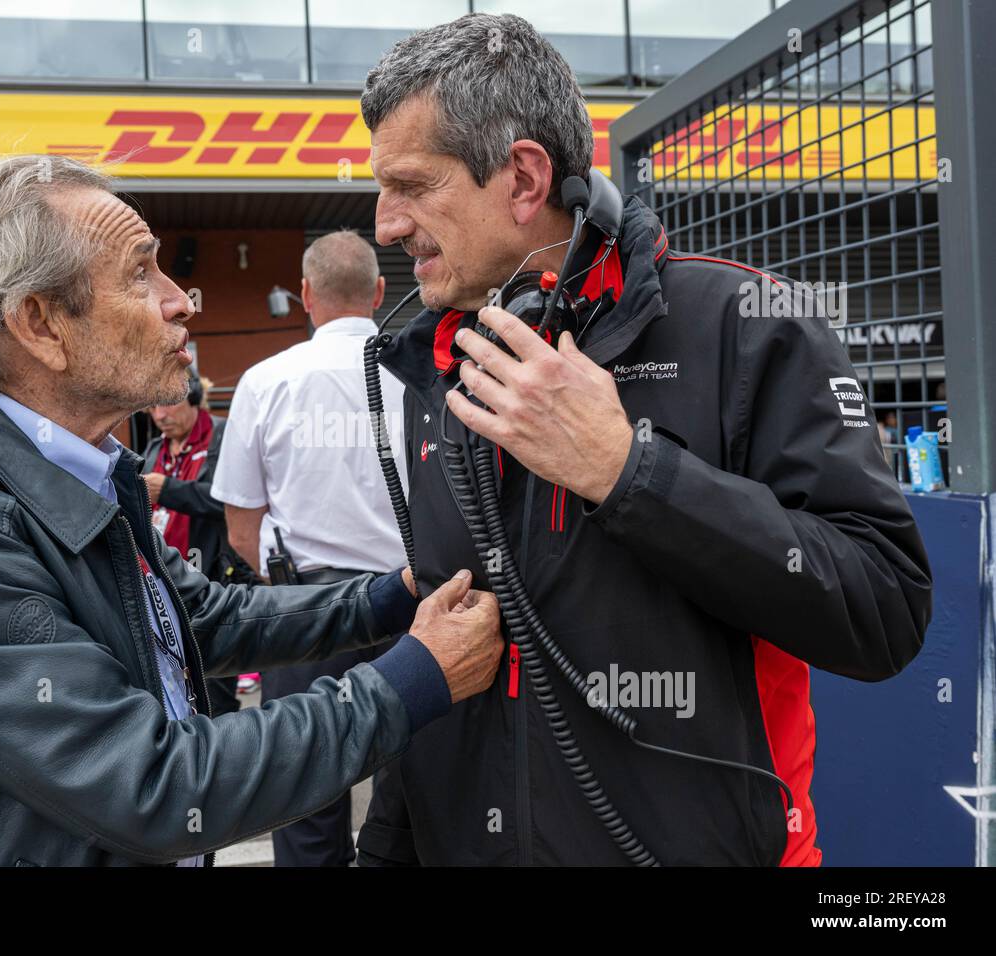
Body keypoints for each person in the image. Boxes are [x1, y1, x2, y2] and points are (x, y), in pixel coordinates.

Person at [0, 154, 505, 866]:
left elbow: (200, 620)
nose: (182, 301)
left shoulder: (74, 469)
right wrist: (415, 677)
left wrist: (391, 597)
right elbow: (158, 787)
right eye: (141, 273)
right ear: (40, 325)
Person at [356, 13, 932, 866]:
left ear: (522, 178)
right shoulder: (447, 360)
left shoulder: (742, 326)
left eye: (411, 185)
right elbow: (449, 649)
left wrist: (630, 472)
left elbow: (884, 608)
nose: (385, 225)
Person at [211, 229, 410, 867]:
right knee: (415, 787)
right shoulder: (417, 377)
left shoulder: (265, 381)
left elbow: (240, 531)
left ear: (304, 294)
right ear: (380, 292)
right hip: (411, 599)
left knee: (303, 793)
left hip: (303, 611)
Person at [140, 370, 258, 716]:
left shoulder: (222, 437)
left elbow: (235, 501)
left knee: (215, 691)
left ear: (191, 398)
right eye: (153, 408)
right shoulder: (154, 448)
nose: (160, 416)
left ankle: (227, 762)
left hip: (215, 579)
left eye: (168, 405)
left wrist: (170, 491)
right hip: (166, 582)